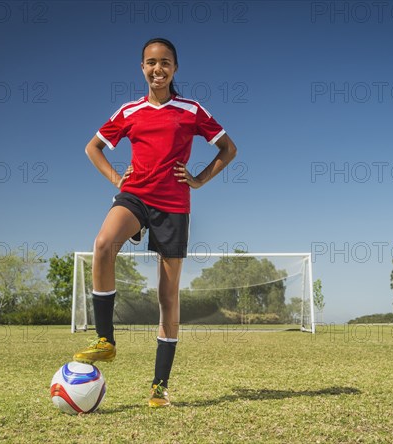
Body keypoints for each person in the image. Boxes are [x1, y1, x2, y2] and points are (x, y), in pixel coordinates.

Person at [73, 37, 238, 407]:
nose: (157, 68)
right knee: (103, 244)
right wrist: (118, 179)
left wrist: (197, 179)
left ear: (175, 68)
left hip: (173, 205)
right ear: (142, 68)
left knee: (167, 295)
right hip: (135, 196)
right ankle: (105, 339)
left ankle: (159, 386)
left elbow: (228, 149)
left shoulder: (191, 110)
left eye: (165, 62)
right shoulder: (129, 111)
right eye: (150, 62)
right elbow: (92, 147)